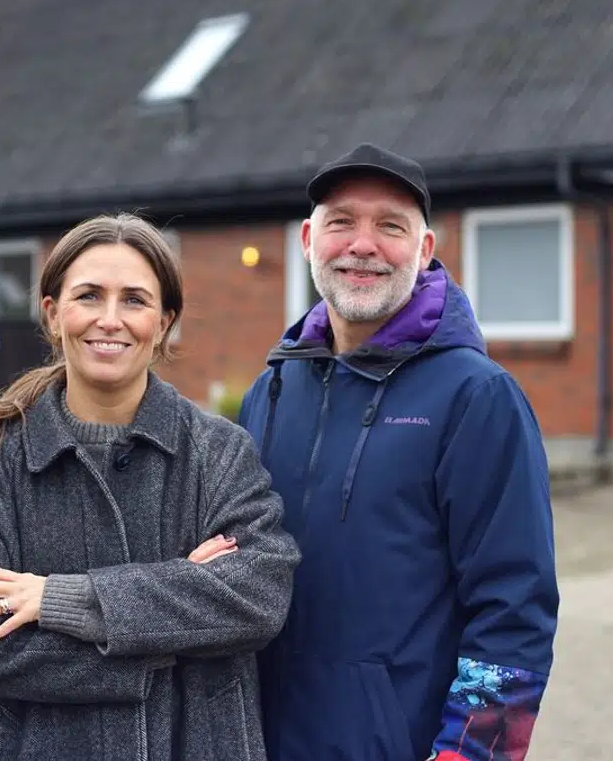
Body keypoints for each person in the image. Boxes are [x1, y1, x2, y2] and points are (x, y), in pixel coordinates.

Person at [0, 213, 300, 761]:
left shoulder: (219, 451)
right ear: (53, 314)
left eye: (135, 300)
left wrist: (67, 600)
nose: (110, 319)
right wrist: (170, 627)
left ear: (165, 320)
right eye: (90, 296)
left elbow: (259, 596)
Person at [236, 143, 560, 761]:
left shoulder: (477, 396)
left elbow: (515, 607)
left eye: (390, 226)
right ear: (308, 239)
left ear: (424, 249)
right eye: (341, 223)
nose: (363, 245)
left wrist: (472, 754)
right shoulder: (272, 390)